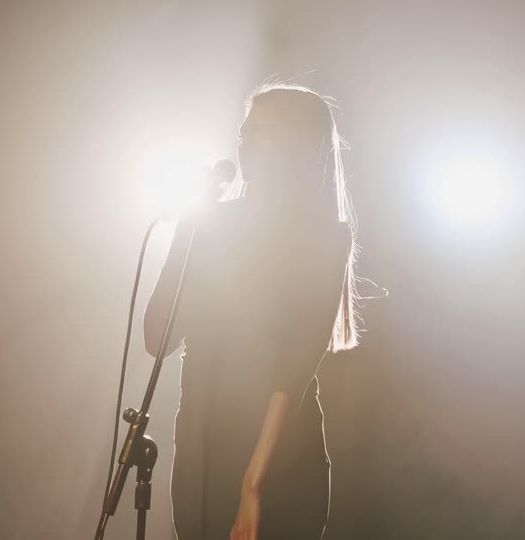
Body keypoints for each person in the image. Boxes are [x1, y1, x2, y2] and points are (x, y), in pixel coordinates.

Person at [144, 83, 364, 540]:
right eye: (246, 133)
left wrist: (252, 484)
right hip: (199, 456)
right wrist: (186, 234)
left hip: (275, 462)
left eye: (267, 133)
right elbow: (156, 340)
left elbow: (293, 373)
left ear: (297, 148)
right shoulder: (209, 226)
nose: (249, 145)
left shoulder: (325, 237)